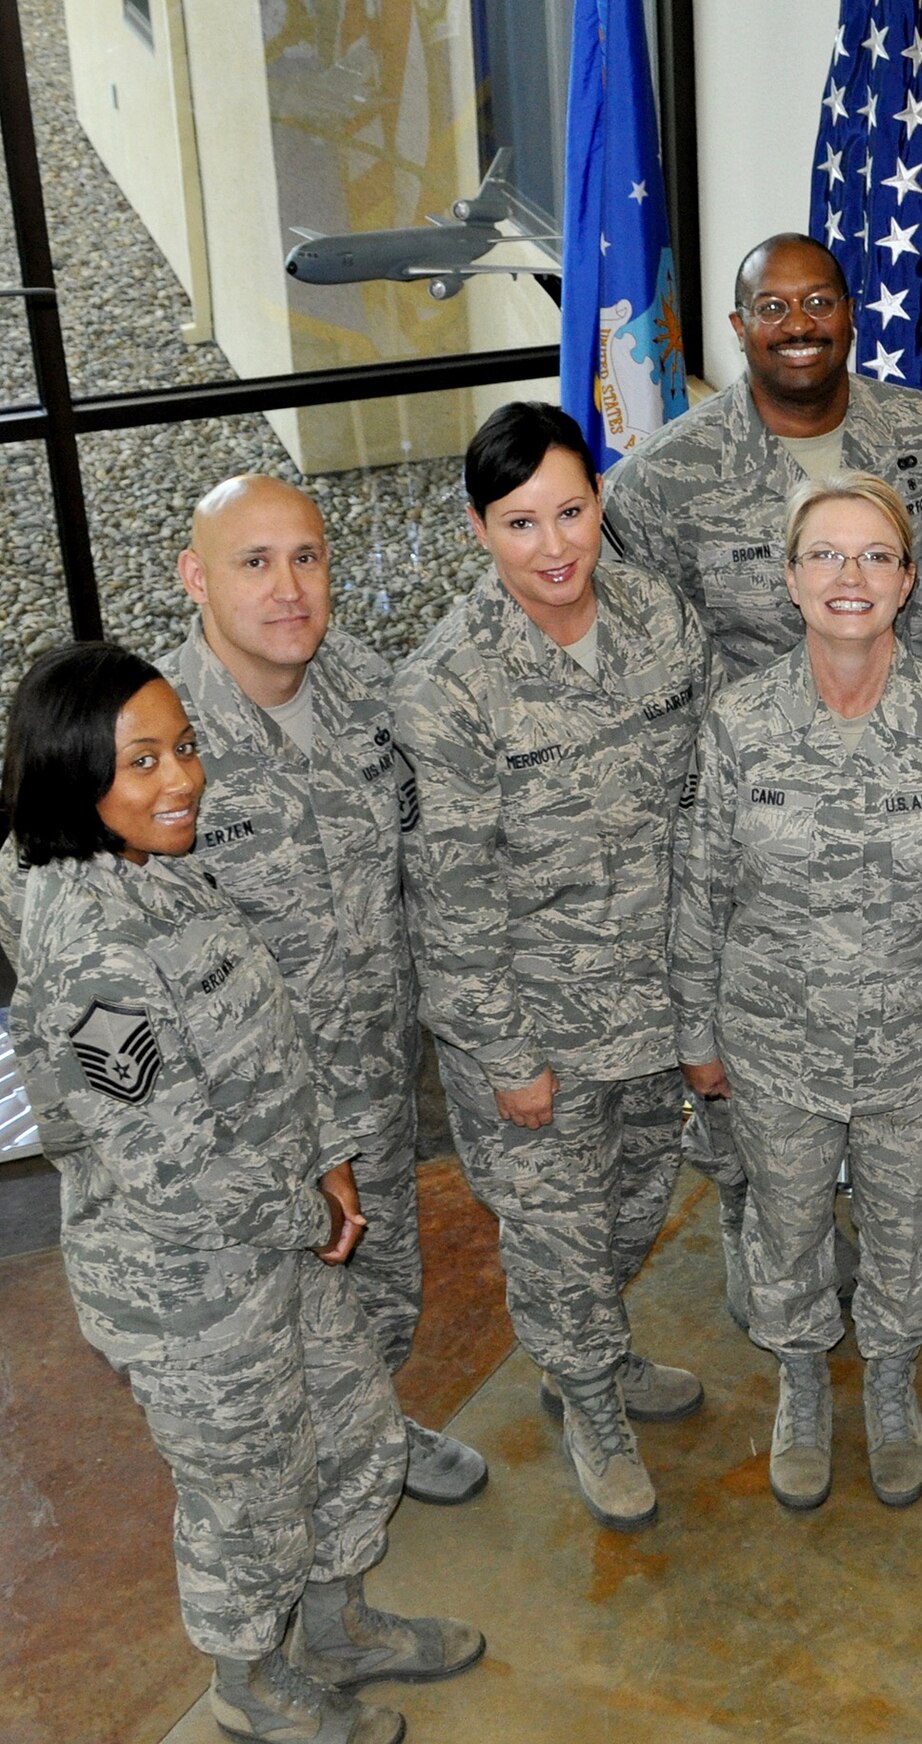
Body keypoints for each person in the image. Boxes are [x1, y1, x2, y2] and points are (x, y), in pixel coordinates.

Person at [5, 643, 482, 1744]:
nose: (181, 779)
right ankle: (251, 1679)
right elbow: (170, 1171)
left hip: (276, 1236)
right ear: (75, 777)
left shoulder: (160, 863)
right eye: (141, 761)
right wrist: (310, 1213)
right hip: (190, 1291)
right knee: (250, 1490)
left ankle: (337, 1625)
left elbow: (268, 1035)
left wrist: (322, 1156)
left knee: (354, 1427)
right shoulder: (91, 949)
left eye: (184, 746)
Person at [606, 232, 922, 1320]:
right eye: (771, 307)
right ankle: (765, 1243)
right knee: (761, 1109)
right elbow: (632, 629)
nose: (798, 323)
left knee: (902, 1115)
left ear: (850, 314)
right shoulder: (672, 473)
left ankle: (893, 1294)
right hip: (760, 817)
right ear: (736, 330)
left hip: (903, 794)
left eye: (818, 300)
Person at [670, 472, 922, 1511]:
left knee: (907, 1220)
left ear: (908, 581)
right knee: (785, 1222)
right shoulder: (739, 724)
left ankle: (893, 1374)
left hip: (917, 1037)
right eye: (825, 553)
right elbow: (700, 886)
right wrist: (696, 1029)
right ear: (788, 579)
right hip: (773, 1039)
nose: (850, 575)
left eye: (875, 554)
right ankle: (798, 1378)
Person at [393, 401, 718, 1533]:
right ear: (480, 528)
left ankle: (593, 1354)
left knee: (632, 1206)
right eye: (522, 522)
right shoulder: (447, 686)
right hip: (532, 1022)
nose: (556, 546)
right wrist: (506, 1055)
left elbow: (702, 799)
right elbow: (452, 897)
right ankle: (589, 1398)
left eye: (572, 510)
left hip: (654, 1000)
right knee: (557, 1232)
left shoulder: (658, 614)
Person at [159, 473, 486, 1506]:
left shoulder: (363, 687)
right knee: (269, 1320)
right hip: (244, 1109)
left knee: (381, 1283)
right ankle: (295, 1487)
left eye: (306, 557)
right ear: (194, 580)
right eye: (253, 562)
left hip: (373, 1076)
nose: (289, 587)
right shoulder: (154, 733)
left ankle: (374, 1427)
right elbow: (41, 891)